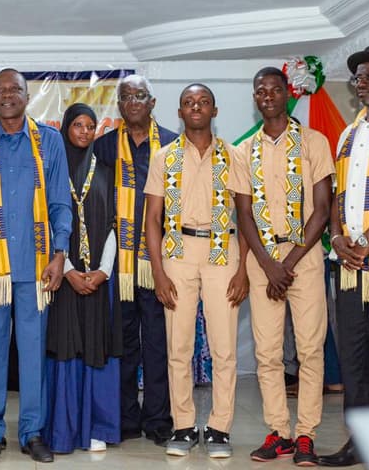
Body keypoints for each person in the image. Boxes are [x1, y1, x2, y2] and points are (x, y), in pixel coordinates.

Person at [0, 68, 71, 464]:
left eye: (14, 89)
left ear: (26, 94)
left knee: (34, 351)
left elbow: (59, 204)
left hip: (36, 268)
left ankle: (32, 431)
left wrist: (59, 255)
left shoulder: (49, 142)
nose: (6, 95)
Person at [232, 67, 333, 465]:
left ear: (286, 94)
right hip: (263, 262)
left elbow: (322, 210)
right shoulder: (244, 151)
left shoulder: (313, 141)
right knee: (267, 352)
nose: (268, 95)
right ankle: (280, 432)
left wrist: (286, 264)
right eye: (261, 91)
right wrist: (267, 264)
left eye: (275, 89)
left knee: (309, 349)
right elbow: (244, 216)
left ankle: (306, 434)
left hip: (303, 259)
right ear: (255, 98)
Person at [144, 83, 244, 458]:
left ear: (214, 111)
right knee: (178, 347)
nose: (196, 107)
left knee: (224, 348)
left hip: (223, 251)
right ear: (180, 113)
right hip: (178, 252)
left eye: (203, 102)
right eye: (188, 103)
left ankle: (219, 428)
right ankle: (184, 426)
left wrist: (243, 270)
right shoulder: (163, 157)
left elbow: (246, 216)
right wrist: (158, 272)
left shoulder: (234, 156)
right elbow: (152, 219)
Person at [320, 45, 369, 467]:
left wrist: (367, 237)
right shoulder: (349, 133)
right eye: (357, 77)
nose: (361, 82)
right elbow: (338, 194)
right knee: (354, 357)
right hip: (350, 264)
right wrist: (336, 237)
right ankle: (361, 443)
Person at [93, 74, 176, 446]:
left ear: (152, 102)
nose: (133, 102)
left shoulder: (174, 144)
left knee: (159, 343)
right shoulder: (105, 147)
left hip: (162, 263)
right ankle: (126, 418)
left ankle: (158, 419)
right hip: (120, 265)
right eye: (126, 97)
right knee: (123, 343)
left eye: (140, 96)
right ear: (119, 106)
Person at [43, 103, 121, 454]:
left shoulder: (105, 170)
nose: (85, 132)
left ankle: (96, 426)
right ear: (65, 128)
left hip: (96, 279)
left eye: (91, 126)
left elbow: (113, 227)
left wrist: (103, 271)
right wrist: (70, 269)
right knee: (66, 347)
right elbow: (46, 226)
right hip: (63, 277)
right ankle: (62, 430)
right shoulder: (52, 173)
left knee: (95, 347)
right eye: (78, 125)